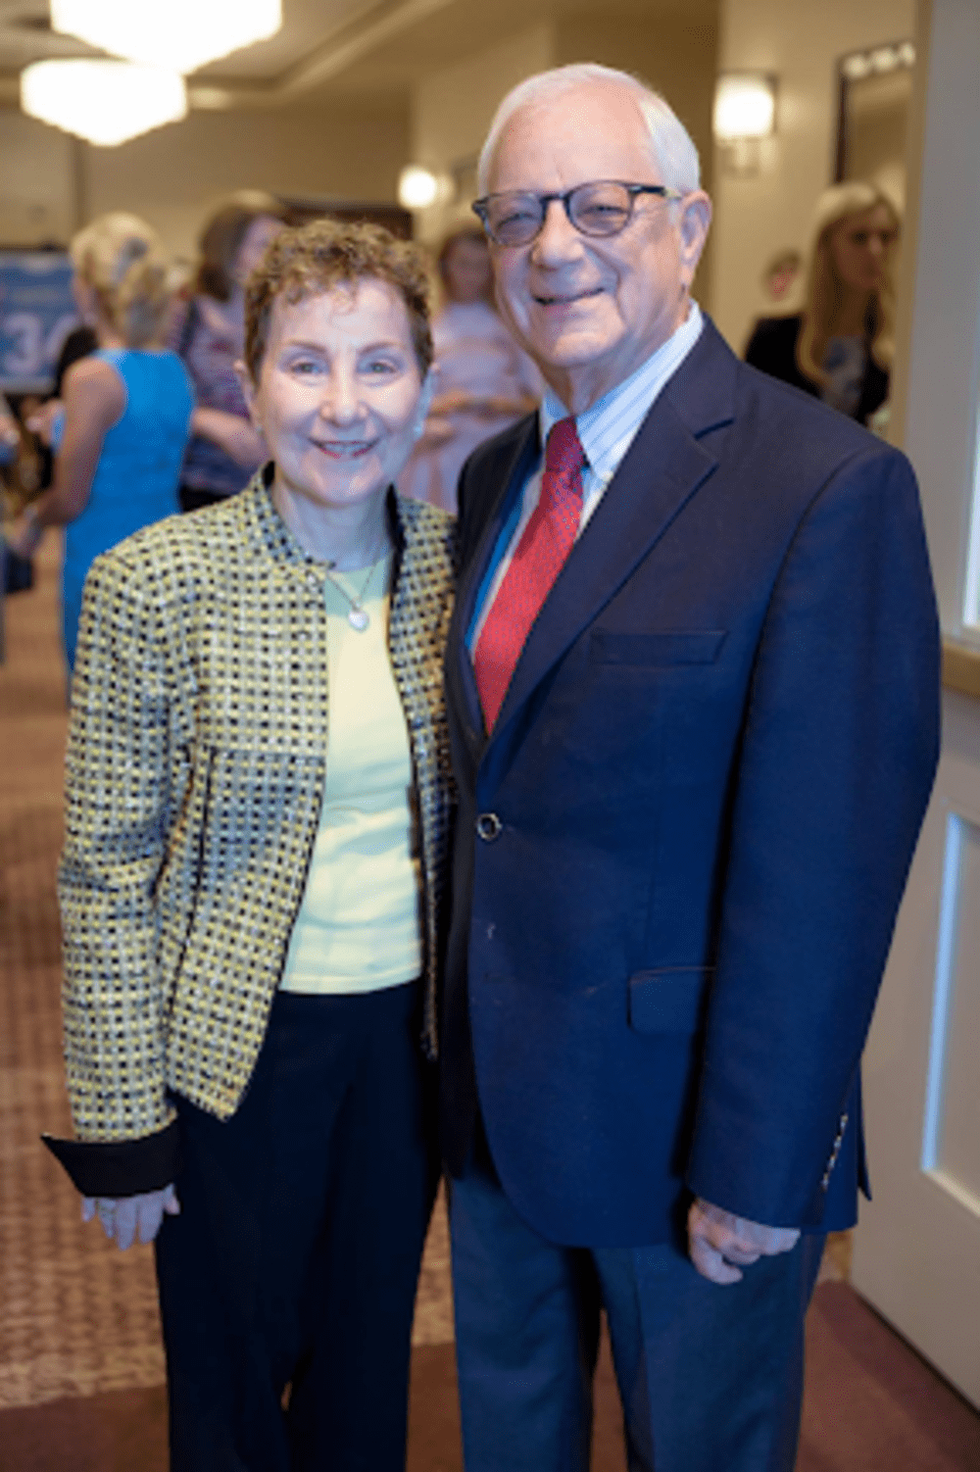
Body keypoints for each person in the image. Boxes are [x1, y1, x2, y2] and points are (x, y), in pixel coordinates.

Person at [441, 63, 940, 1472]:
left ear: (691, 225)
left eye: (602, 204)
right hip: (494, 1124)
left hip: (688, 1151)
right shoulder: (493, 479)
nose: (555, 245)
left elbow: (823, 880)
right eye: (519, 211)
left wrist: (758, 1169)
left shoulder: (825, 488)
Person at [43, 219, 455, 1471]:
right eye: (306, 364)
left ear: (426, 387)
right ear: (249, 381)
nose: (342, 405)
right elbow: (104, 872)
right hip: (231, 1051)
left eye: (377, 365)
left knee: (366, 1361)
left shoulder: (459, 566)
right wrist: (120, 1121)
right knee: (227, 1380)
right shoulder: (154, 581)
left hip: (408, 1045)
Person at [7, 213, 193, 672]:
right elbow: (135, 437)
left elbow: (71, 497)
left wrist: (30, 520)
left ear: (88, 291)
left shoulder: (91, 376)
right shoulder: (174, 367)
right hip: (169, 553)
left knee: (101, 718)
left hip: (105, 560)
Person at [400, 227, 539, 514]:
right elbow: (404, 405)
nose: (471, 276)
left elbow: (538, 402)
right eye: (463, 265)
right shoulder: (426, 328)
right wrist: (446, 404)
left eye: (480, 266)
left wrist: (496, 404)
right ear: (445, 267)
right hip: (441, 453)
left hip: (500, 448)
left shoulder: (512, 328)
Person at [171, 189, 288, 511]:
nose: (277, 259)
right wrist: (206, 421)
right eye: (264, 246)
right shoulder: (186, 314)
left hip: (275, 490)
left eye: (281, 248)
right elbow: (151, 398)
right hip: (200, 488)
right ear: (230, 251)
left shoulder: (284, 319)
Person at [744, 182, 900, 424]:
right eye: (859, 238)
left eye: (886, 237)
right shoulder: (774, 340)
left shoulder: (899, 347)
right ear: (827, 246)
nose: (876, 250)